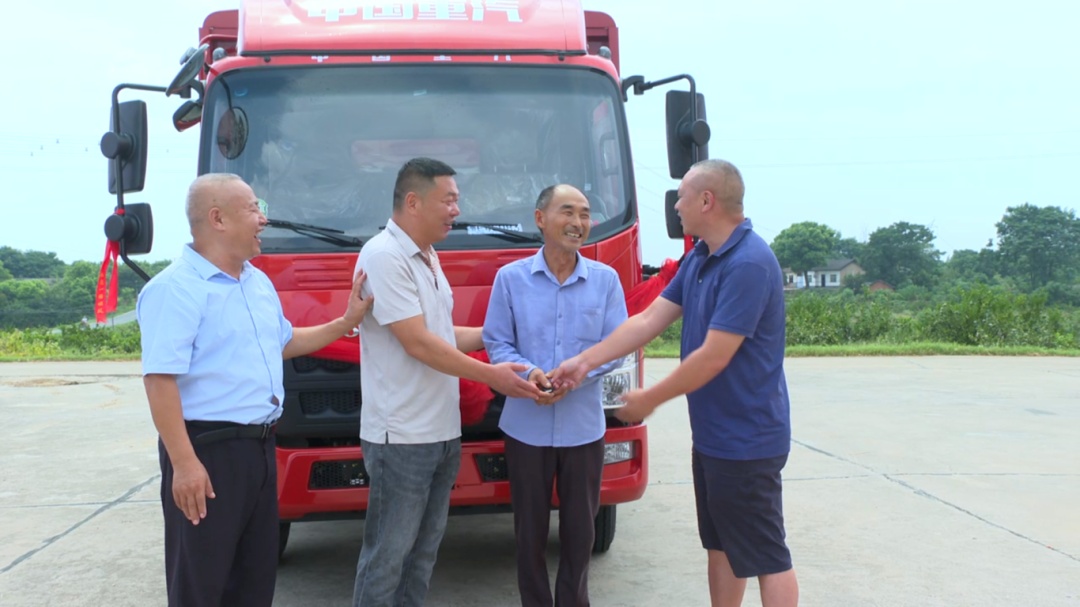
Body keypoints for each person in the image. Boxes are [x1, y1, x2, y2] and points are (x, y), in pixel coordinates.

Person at [550, 160, 799, 607]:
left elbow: (714, 355)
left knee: (766, 555)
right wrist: (584, 362)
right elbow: (649, 319)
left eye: (681, 196)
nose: (676, 206)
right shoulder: (701, 256)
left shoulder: (749, 263)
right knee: (720, 545)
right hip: (715, 437)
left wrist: (651, 397)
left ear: (707, 200)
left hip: (748, 439)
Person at [137, 173, 373, 607]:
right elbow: (159, 380)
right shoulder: (175, 289)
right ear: (218, 219)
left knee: (254, 580)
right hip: (209, 452)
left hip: (260, 449)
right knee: (202, 584)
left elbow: (284, 342)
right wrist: (185, 465)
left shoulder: (256, 282)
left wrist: (345, 322)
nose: (263, 219)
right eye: (252, 208)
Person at [351, 157, 544, 607]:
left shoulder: (428, 256)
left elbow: (439, 333)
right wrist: (492, 375)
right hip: (401, 437)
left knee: (421, 557)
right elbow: (417, 343)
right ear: (413, 202)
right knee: (387, 559)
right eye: (449, 200)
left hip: (440, 432)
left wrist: (503, 334)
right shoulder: (384, 255)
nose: (457, 210)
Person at [482, 184, 627, 607]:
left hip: (583, 427)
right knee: (528, 530)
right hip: (525, 426)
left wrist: (576, 376)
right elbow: (497, 341)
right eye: (567, 212)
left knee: (581, 531)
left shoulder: (605, 281)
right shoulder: (511, 279)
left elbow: (616, 346)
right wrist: (530, 374)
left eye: (584, 214)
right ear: (540, 219)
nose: (578, 223)